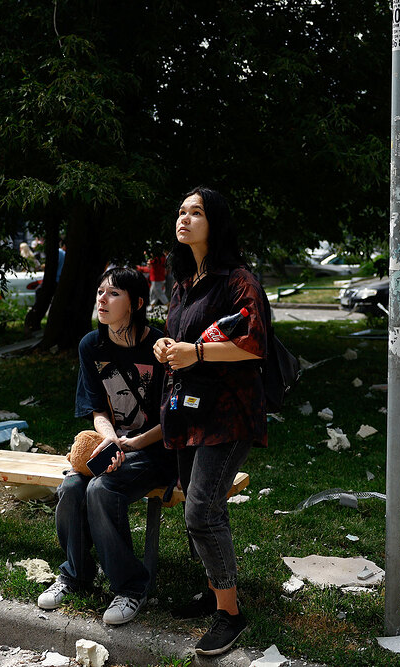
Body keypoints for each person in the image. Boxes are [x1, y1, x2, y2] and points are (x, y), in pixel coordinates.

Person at [153, 187, 269, 657]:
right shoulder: (185, 280)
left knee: (201, 510)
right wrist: (166, 346)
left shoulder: (238, 279)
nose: (184, 218)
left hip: (228, 412)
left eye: (195, 212)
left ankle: (230, 614)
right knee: (195, 504)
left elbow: (254, 343)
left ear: (214, 222)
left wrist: (196, 352)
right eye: (181, 211)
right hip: (189, 409)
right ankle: (213, 590)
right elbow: (182, 336)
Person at [37, 266, 174, 625]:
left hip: (156, 451)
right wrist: (111, 439)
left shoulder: (160, 347)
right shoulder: (91, 345)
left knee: (101, 488)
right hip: (115, 443)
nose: (102, 299)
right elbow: (97, 410)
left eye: (113, 293)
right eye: (100, 291)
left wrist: (133, 443)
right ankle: (75, 575)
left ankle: (130, 588)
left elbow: (173, 417)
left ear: (137, 303)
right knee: (71, 485)